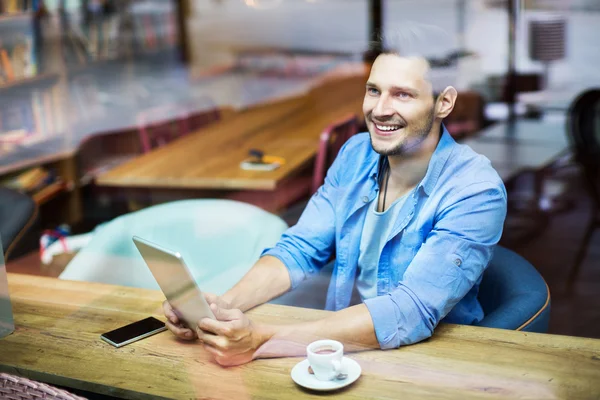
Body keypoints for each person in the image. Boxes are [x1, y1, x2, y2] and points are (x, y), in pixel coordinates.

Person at [163, 33, 507, 367]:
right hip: (339, 351)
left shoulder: (475, 189)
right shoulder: (355, 155)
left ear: (444, 102)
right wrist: (220, 310)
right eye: (374, 90)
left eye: (402, 95)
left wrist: (263, 339)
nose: (380, 110)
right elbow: (300, 248)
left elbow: (409, 311)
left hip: (426, 362)